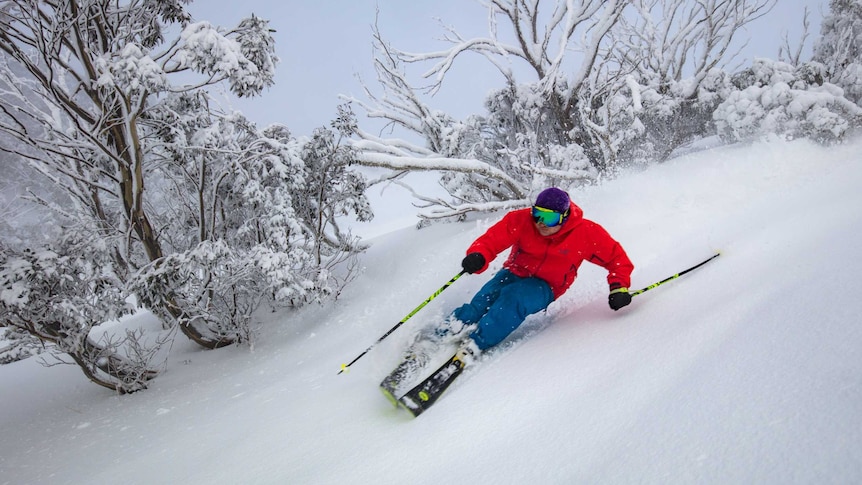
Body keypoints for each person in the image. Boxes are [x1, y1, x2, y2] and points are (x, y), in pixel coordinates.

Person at [382, 187, 634, 394]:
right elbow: (493, 239)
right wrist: (478, 255)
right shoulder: (521, 220)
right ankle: (438, 335)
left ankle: (476, 343)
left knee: (511, 301)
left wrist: (618, 287)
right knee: (480, 303)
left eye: (549, 219)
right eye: (538, 214)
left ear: (565, 216)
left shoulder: (586, 233)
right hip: (513, 271)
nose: (540, 224)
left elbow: (617, 259)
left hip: (546, 285)